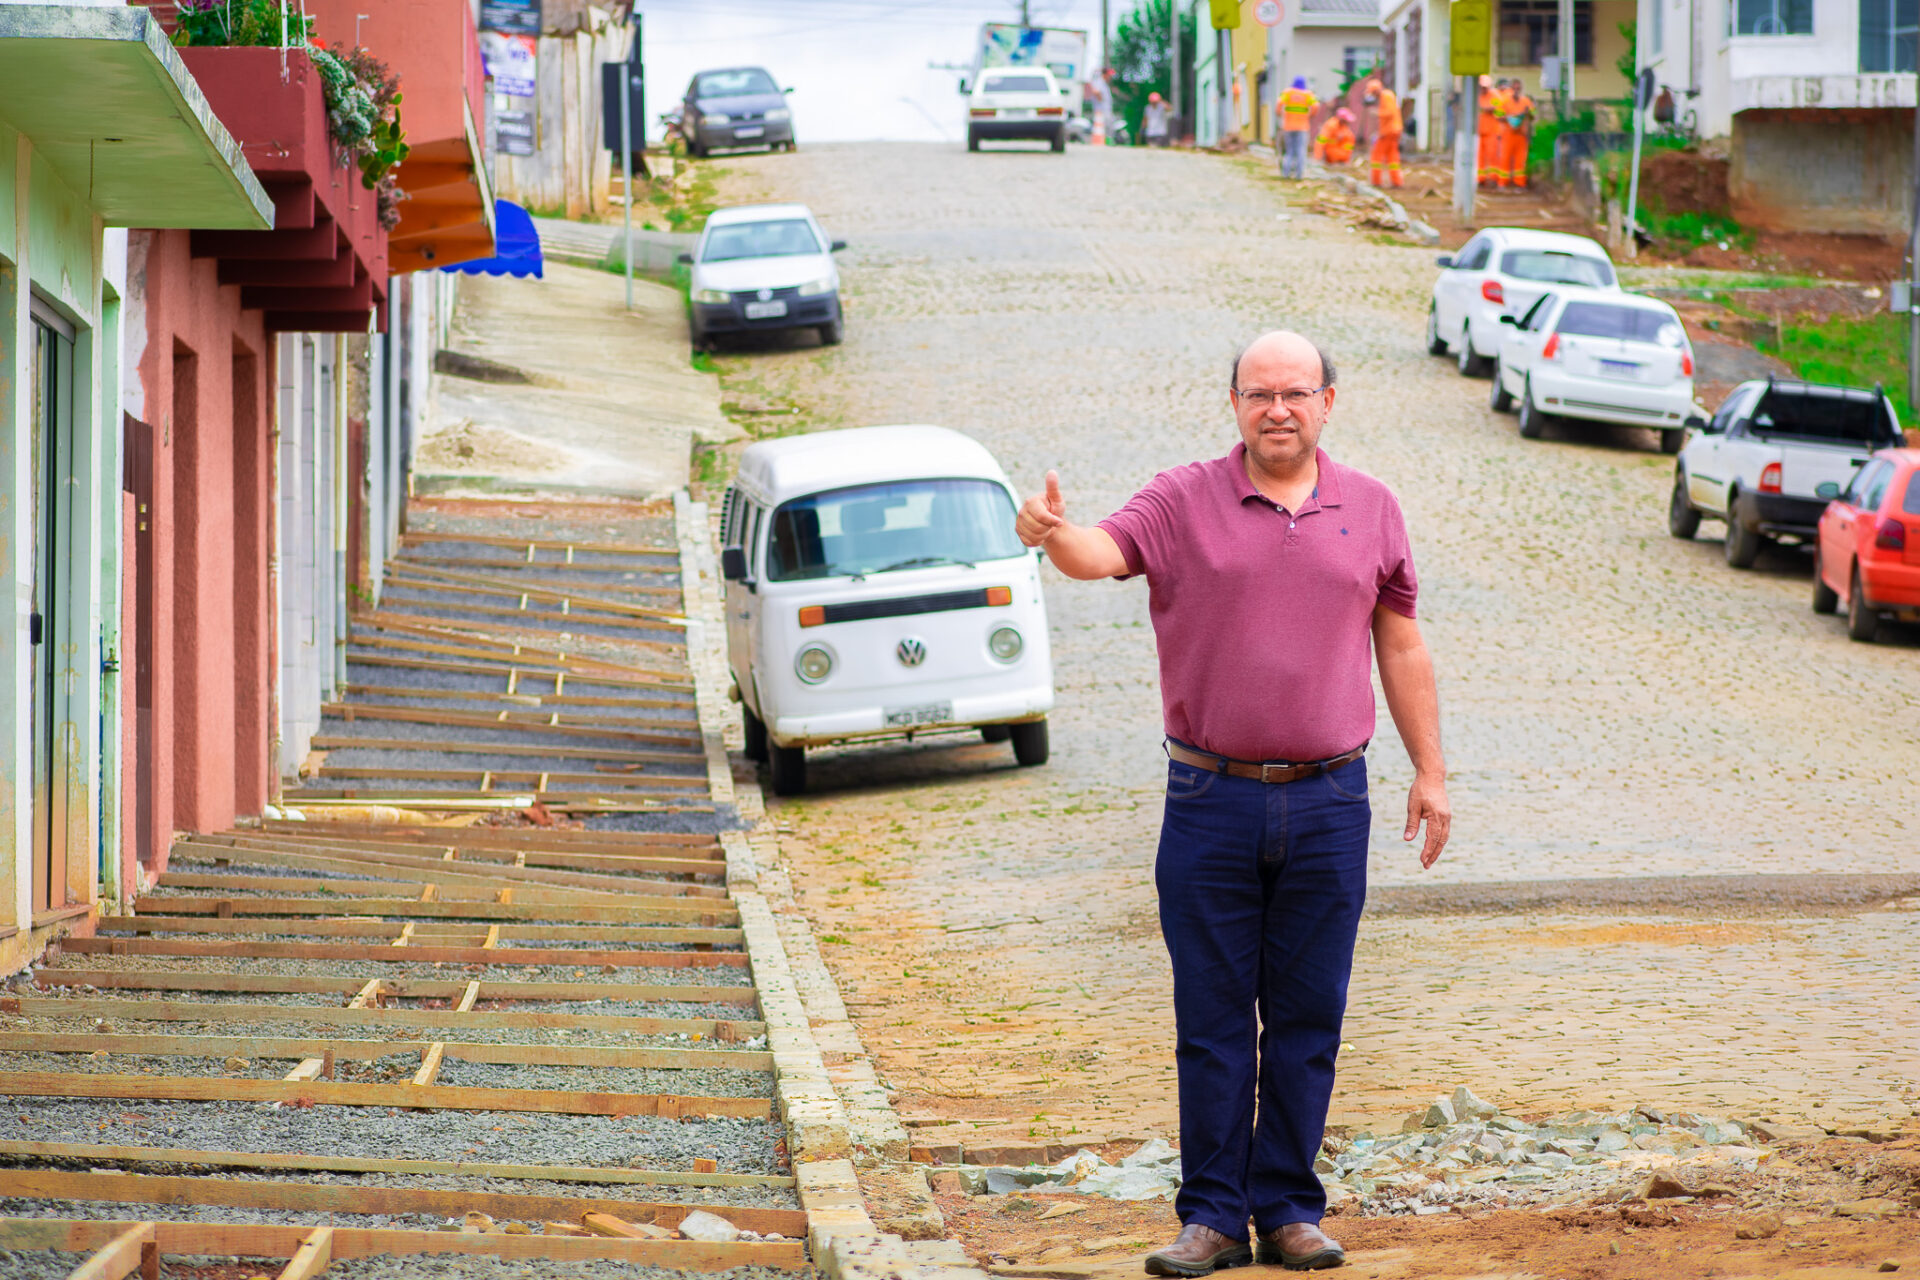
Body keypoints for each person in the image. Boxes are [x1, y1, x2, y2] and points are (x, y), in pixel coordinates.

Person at [1014, 331, 1451, 1278]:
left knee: (1309, 1014)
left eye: (1297, 393)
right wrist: (1053, 535)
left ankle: (1289, 1208)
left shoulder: (1372, 508)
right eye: (1260, 394)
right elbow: (1101, 554)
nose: (1278, 410)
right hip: (1209, 798)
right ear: (1234, 402)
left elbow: (1402, 644)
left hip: (1332, 800)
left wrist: (1431, 770)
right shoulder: (1181, 499)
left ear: (1330, 401)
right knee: (1212, 1017)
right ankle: (1210, 1218)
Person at [1364, 78, 1402, 188]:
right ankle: (1397, 182)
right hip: (1393, 130)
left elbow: (1390, 112)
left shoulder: (1386, 96)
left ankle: (1376, 181)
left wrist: (1377, 113)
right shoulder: (1387, 95)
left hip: (1388, 131)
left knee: (1376, 156)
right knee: (1392, 157)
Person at [1276, 76, 1316, 178]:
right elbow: (1316, 106)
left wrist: (1280, 114)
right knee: (1301, 150)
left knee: (1289, 150)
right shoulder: (1308, 94)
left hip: (1288, 126)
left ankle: (1286, 174)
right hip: (1302, 127)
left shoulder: (1288, 92)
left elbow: (1279, 104)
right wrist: (1310, 115)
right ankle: (1299, 175)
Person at [1502, 78, 1535, 189]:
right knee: (1505, 159)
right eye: (1514, 88)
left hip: (1521, 135)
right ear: (1511, 89)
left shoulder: (1526, 101)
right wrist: (1510, 117)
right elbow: (1498, 115)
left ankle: (1519, 183)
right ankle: (1503, 183)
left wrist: (1527, 113)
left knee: (1520, 161)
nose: (1516, 90)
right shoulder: (1505, 101)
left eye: (1518, 88)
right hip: (1508, 134)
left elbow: (1532, 116)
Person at [1476, 74, 1504, 188]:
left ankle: (1493, 178)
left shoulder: (1495, 95)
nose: (1483, 89)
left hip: (1492, 131)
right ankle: (1480, 179)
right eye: (1481, 87)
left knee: (1492, 156)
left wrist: (1490, 109)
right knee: (1479, 157)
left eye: (1485, 87)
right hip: (1479, 131)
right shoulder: (1476, 96)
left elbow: (1500, 110)